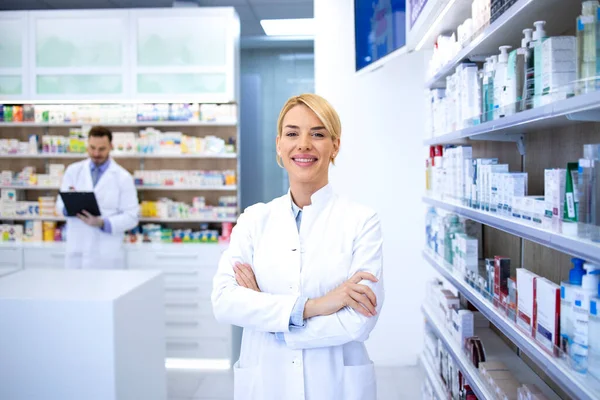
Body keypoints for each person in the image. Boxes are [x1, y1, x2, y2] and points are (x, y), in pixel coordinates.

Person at [212, 94, 384, 400]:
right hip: (267, 383)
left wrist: (273, 320)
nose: (303, 144)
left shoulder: (361, 221)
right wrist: (318, 306)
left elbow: (360, 322)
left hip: (335, 387)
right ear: (279, 144)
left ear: (335, 145)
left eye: (317, 134)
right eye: (292, 133)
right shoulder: (254, 219)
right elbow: (224, 301)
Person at [56, 126, 139, 269]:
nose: (96, 153)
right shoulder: (73, 171)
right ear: (87, 145)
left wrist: (102, 223)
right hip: (77, 249)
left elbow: (132, 217)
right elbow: (59, 205)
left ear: (111, 147)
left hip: (106, 254)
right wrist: (69, 206)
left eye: (102, 149)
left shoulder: (122, 177)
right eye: (92, 148)